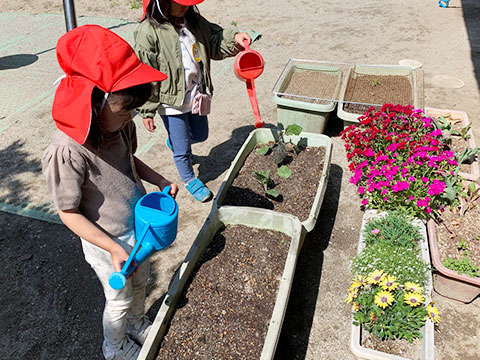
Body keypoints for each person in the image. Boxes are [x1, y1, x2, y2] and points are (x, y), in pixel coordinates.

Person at [42, 25, 178, 360]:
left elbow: (129, 159)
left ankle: (137, 321)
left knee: (141, 280)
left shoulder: (118, 125)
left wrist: (159, 180)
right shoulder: (69, 151)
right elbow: (68, 212)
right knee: (117, 298)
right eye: (125, 109)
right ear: (94, 101)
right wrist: (112, 246)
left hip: (137, 225)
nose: (130, 116)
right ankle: (114, 347)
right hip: (105, 239)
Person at [134, 0, 252, 202]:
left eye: (188, 3)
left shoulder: (194, 21)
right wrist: (147, 110)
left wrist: (234, 39)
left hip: (196, 93)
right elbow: (145, 72)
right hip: (170, 101)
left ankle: (175, 141)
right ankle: (189, 179)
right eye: (179, 3)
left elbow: (215, 41)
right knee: (183, 150)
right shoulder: (149, 31)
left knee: (200, 134)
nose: (185, 7)